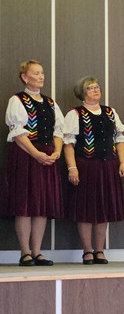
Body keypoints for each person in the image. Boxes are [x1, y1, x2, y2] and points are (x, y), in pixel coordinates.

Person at [63, 76, 124, 264]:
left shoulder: (110, 112)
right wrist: (72, 167)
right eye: (91, 88)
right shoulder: (75, 114)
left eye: (97, 87)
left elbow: (120, 138)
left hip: (108, 166)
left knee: (103, 209)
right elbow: (68, 144)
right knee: (85, 208)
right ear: (83, 93)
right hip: (86, 166)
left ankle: (100, 250)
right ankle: (87, 251)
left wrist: (123, 162)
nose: (95, 90)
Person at [4, 60, 64, 266]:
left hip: (46, 155)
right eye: (36, 73)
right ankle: (25, 252)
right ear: (24, 77)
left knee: (42, 205)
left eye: (42, 73)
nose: (41, 76)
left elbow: (59, 131)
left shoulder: (50, 103)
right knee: (26, 204)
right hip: (26, 154)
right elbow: (18, 133)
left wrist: (56, 152)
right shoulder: (17, 100)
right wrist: (35, 153)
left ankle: (38, 252)